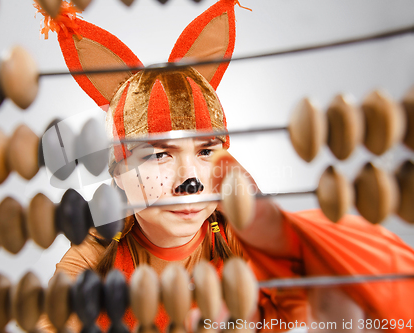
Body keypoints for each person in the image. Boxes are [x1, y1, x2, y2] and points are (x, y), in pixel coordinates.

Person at [35, 1, 414, 332]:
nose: (191, 181)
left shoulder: (237, 243)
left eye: (205, 152)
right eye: (158, 154)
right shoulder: (99, 253)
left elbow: (307, 293)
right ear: (118, 172)